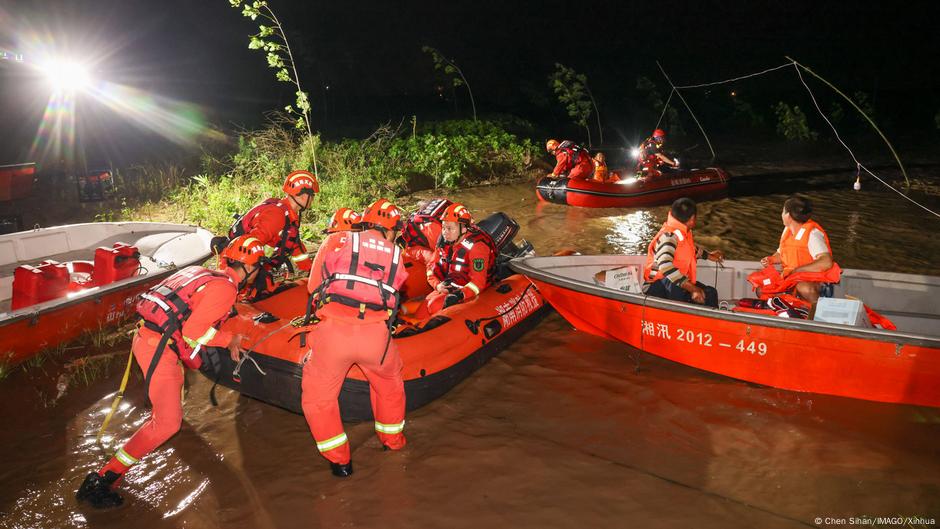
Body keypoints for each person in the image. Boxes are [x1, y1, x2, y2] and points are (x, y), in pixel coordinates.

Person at [76, 236, 264, 509]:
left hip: (149, 339)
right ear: (250, 268)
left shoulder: (201, 273)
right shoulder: (225, 291)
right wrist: (229, 340)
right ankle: (103, 479)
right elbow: (193, 332)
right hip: (158, 349)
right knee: (167, 423)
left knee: (167, 415)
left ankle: (110, 475)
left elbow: (186, 310)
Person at [302, 198, 408, 477]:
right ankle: (393, 443)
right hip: (376, 338)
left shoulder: (336, 241)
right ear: (392, 229)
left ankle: (341, 463)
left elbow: (314, 287)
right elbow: (394, 294)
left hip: (334, 334)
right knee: (389, 385)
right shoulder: (397, 254)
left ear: (364, 223)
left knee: (318, 399)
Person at [220, 170, 319, 299]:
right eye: (312, 196)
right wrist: (254, 279)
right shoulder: (276, 216)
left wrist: (312, 270)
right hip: (241, 270)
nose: (313, 199)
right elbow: (249, 247)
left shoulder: (288, 215)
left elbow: (294, 246)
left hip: (254, 267)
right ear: (303, 196)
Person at [414, 203, 498, 318]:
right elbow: (431, 267)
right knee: (421, 313)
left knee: (434, 306)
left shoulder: (477, 247)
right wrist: (437, 285)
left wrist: (459, 295)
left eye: (449, 228)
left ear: (463, 228)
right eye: (443, 227)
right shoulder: (445, 241)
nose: (445, 232)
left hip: (470, 292)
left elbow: (478, 283)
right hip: (450, 286)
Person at [759, 196, 840, 307]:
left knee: (804, 288)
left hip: (814, 280)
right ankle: (782, 312)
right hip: (791, 278)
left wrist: (798, 270)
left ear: (788, 215)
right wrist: (771, 259)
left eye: (783, 211)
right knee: (762, 288)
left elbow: (826, 262)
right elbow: (782, 253)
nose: (781, 214)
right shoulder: (787, 231)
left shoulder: (812, 234)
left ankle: (819, 316)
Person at [643, 198, 723, 307]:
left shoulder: (681, 233)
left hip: (674, 284)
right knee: (679, 289)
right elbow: (665, 265)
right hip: (655, 287)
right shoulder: (669, 236)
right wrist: (693, 289)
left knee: (710, 293)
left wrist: (710, 256)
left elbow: (690, 251)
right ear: (692, 219)